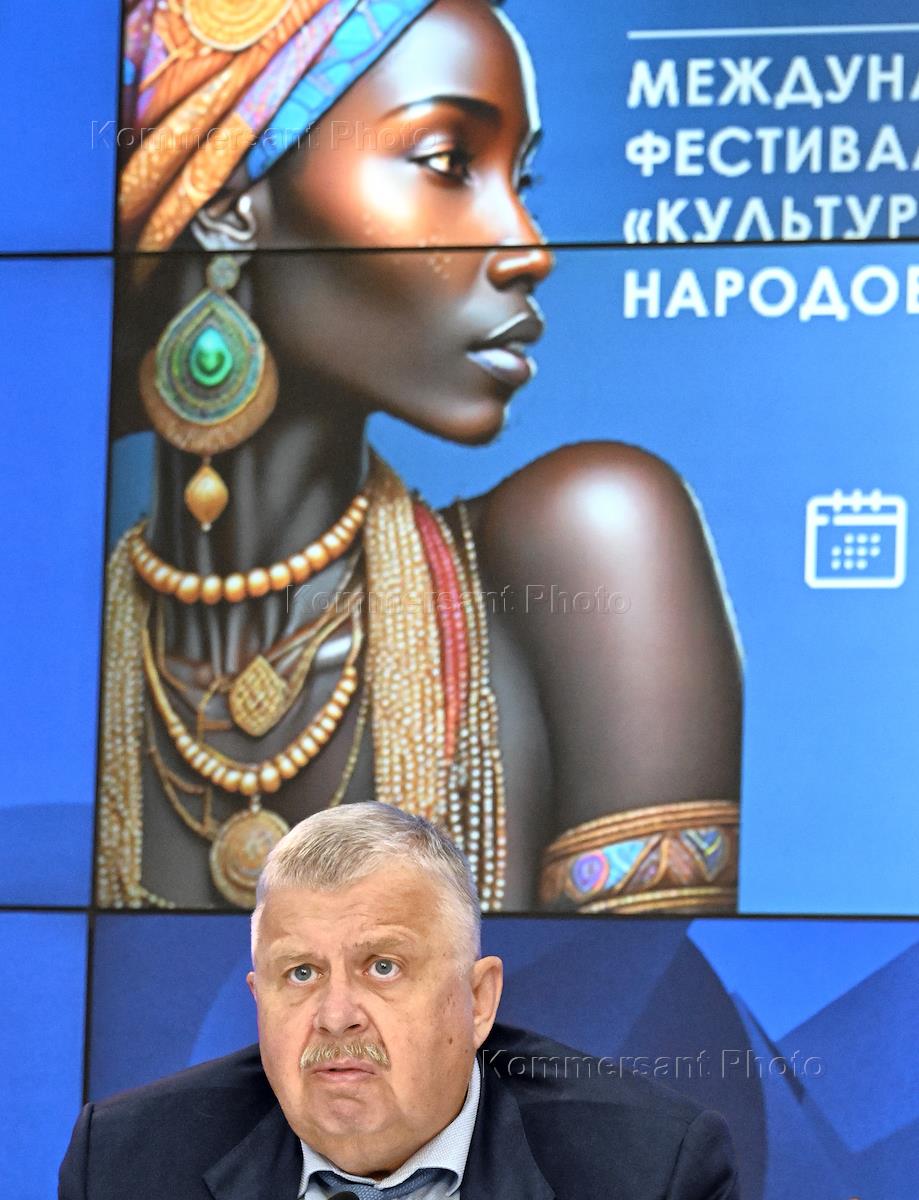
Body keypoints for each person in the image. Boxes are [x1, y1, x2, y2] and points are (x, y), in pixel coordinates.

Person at [98, 0, 741, 913]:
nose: (529, 248)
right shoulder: (49, 636)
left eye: (521, 178)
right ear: (232, 201)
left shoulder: (593, 542)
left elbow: (636, 997)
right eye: (447, 162)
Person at [62, 803, 739, 1198]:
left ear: (478, 1001)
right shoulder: (127, 1166)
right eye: (300, 973)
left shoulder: (648, 1173)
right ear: (257, 998)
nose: (335, 1015)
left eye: (382, 967)